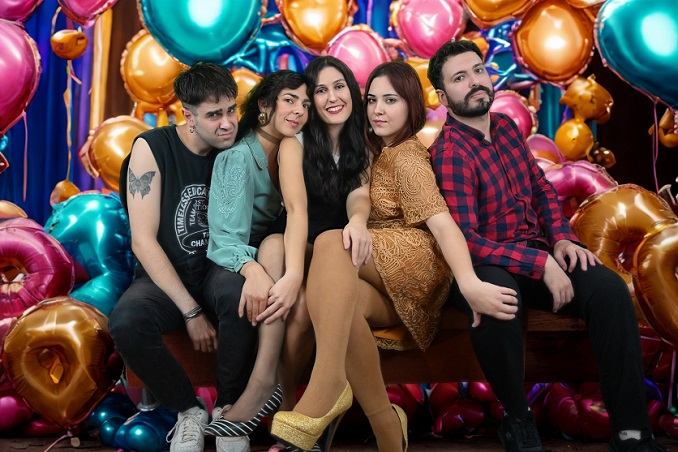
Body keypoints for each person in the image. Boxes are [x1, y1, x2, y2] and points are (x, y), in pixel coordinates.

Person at [427, 40, 664, 452]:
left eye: (478, 71)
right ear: (444, 97)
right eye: (460, 78)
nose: (475, 82)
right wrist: (540, 264)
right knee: (499, 300)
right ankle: (517, 419)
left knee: (609, 290)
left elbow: (540, 188)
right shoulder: (449, 152)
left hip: (537, 251)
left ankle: (631, 430)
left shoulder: (505, 127)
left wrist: (561, 238)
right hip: (487, 261)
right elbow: (466, 239)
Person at [270, 61, 517, 452]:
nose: (378, 110)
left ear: (412, 105)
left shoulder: (407, 157)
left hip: (417, 263)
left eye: (391, 100)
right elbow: (356, 193)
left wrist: (469, 282)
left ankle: (328, 384)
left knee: (334, 242)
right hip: (384, 268)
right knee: (339, 304)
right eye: (372, 100)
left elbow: (442, 224)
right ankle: (388, 427)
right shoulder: (373, 148)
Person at [109, 62, 258, 452]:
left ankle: (229, 411)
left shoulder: (239, 146)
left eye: (231, 110)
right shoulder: (152, 147)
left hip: (217, 270)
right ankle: (189, 410)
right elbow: (143, 242)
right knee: (126, 322)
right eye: (214, 115)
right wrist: (191, 313)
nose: (227, 123)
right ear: (188, 116)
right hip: (165, 274)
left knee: (239, 293)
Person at [264, 56, 373, 452]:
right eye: (321, 91)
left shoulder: (362, 141)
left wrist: (358, 221)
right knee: (299, 306)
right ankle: (289, 409)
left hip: (336, 250)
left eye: (339, 86)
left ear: (352, 91)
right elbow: (297, 212)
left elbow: (360, 193)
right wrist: (294, 273)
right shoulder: (295, 144)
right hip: (299, 242)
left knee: (315, 303)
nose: (332, 97)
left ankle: (313, 413)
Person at [201, 70, 311, 451]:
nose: (299, 111)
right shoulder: (237, 158)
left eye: (305, 104)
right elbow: (224, 239)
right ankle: (263, 386)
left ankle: (273, 390)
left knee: (277, 247)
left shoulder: (291, 148)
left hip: (290, 252)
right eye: (290, 100)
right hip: (241, 259)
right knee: (273, 248)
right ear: (264, 105)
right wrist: (255, 270)